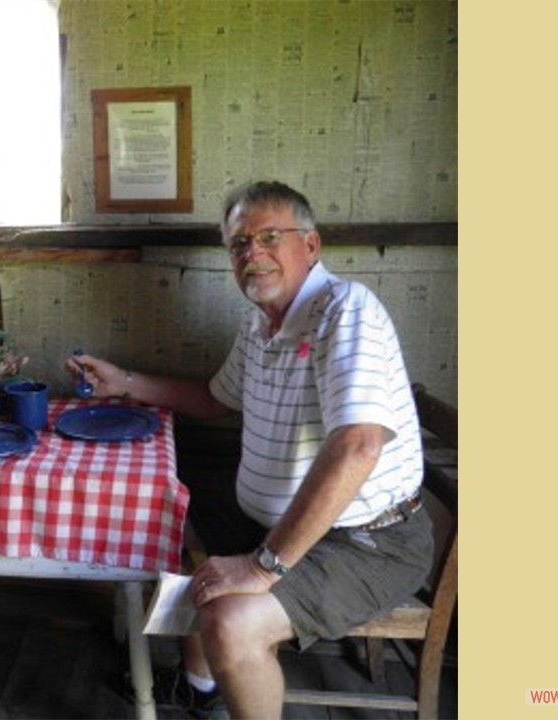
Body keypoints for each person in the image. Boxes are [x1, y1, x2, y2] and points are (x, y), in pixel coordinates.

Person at [68, 181, 433, 719]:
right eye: (239, 244)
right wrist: (121, 382)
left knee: (231, 623)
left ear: (310, 246)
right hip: (272, 523)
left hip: (366, 541)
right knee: (170, 518)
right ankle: (200, 685)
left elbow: (359, 446)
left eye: (269, 237)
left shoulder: (346, 309)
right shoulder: (260, 324)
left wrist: (263, 567)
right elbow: (214, 399)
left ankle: (221, 666)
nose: (252, 254)